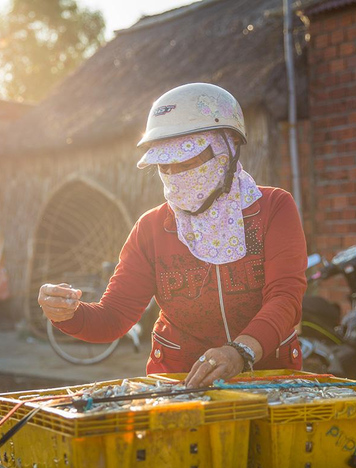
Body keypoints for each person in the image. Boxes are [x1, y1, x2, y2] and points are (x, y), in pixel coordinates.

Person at [38, 83, 307, 387]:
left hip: (270, 379)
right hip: (179, 383)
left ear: (227, 149)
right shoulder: (151, 228)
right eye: (165, 165)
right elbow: (113, 318)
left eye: (187, 161)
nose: (175, 173)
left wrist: (240, 351)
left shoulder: (273, 208)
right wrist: (68, 314)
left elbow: (285, 298)